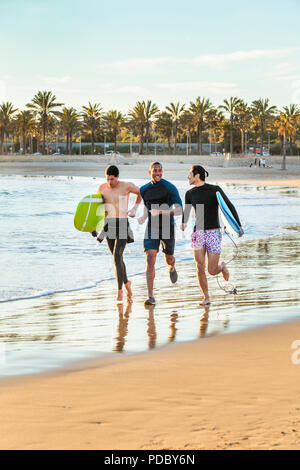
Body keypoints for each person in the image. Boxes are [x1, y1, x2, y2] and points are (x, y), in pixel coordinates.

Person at [181, 165, 243, 306]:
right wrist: (183, 223)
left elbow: (228, 206)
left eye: (189, 174)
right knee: (199, 266)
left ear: (197, 175)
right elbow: (187, 210)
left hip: (213, 232)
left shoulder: (214, 190)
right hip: (199, 232)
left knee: (211, 270)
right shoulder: (189, 194)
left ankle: (221, 267)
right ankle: (206, 297)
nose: (188, 177)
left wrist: (238, 226)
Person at [93, 165, 141, 303]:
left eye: (112, 179)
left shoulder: (126, 186)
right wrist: (93, 227)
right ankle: (127, 284)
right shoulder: (102, 188)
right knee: (117, 259)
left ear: (118, 177)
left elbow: (140, 193)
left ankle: (119, 291)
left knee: (117, 256)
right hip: (108, 225)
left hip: (122, 224)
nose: (110, 182)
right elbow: (98, 208)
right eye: (107, 179)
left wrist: (134, 208)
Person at [138, 162, 183, 306]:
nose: (157, 173)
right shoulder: (144, 189)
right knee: (150, 256)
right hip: (152, 227)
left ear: (162, 172)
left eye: (160, 171)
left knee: (169, 258)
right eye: (154, 171)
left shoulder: (169, 187)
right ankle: (150, 296)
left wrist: (161, 212)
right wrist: (143, 217)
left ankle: (172, 266)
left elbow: (180, 210)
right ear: (149, 172)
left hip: (167, 227)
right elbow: (147, 207)